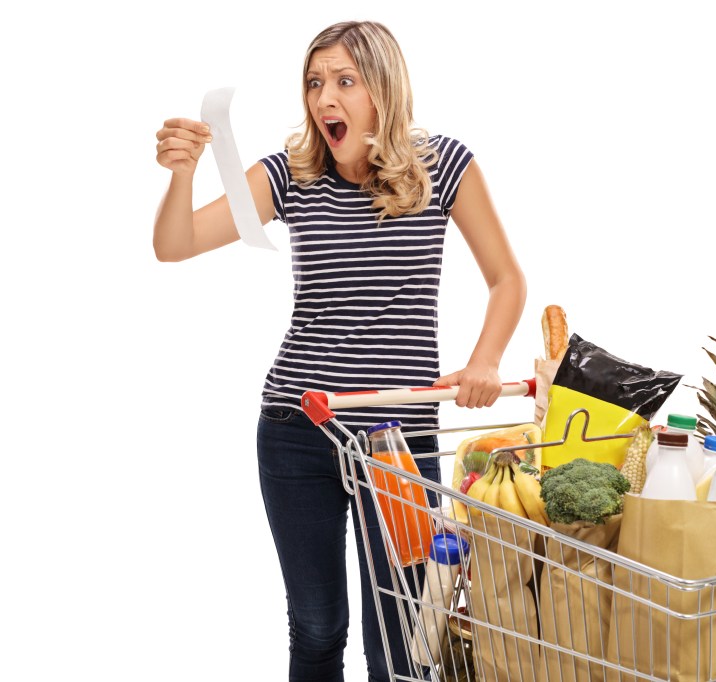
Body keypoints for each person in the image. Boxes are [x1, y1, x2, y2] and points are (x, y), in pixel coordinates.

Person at [153, 20, 526, 682]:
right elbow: (175, 243)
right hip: (298, 432)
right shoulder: (289, 174)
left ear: (383, 89)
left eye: (345, 82)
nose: (326, 98)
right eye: (315, 83)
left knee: (401, 644)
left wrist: (485, 361)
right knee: (318, 628)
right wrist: (180, 175)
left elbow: (507, 280)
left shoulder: (444, 166)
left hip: (398, 442)